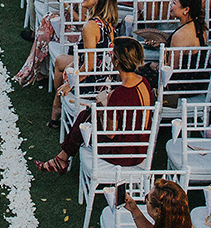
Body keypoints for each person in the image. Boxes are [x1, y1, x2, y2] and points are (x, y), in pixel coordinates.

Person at [35, 36, 153, 174]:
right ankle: (61, 159)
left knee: (84, 120)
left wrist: (102, 110)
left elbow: (110, 133)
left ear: (117, 62)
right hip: (140, 148)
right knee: (87, 114)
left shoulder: (118, 94)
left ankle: (62, 159)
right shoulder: (144, 82)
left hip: (121, 153)